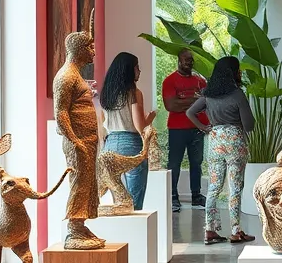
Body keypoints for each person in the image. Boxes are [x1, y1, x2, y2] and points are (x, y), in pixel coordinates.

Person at [187, 57, 256, 244]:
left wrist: (204, 127)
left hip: (215, 140)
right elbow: (249, 125)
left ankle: (209, 230)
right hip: (235, 142)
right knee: (235, 187)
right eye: (238, 70)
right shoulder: (237, 95)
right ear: (233, 73)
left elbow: (190, 112)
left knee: (214, 187)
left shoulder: (208, 95)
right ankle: (235, 231)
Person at [99, 51, 155, 211]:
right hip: (131, 144)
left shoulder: (106, 94)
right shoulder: (134, 93)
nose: (139, 71)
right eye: (137, 67)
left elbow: (102, 124)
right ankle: (134, 235)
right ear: (129, 70)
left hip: (109, 145)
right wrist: (149, 119)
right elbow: (140, 126)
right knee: (134, 203)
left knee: (119, 202)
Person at [162, 48, 208, 212]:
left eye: (191, 60)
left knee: (197, 163)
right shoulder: (170, 81)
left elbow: (206, 102)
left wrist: (184, 101)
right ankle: (173, 197)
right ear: (179, 61)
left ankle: (196, 196)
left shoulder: (200, 81)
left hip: (197, 128)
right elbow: (171, 105)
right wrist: (194, 100)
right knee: (174, 163)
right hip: (177, 129)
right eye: (186, 60)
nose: (189, 63)